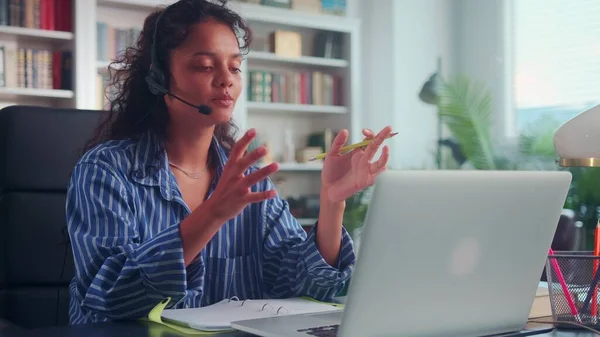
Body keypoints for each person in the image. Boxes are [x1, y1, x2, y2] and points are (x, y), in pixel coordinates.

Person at [66, 0, 392, 325]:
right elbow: (108, 297)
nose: (226, 80)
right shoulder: (105, 170)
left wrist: (331, 202)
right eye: (206, 66)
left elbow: (306, 285)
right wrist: (212, 214)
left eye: (235, 67)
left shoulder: (249, 180)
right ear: (160, 78)